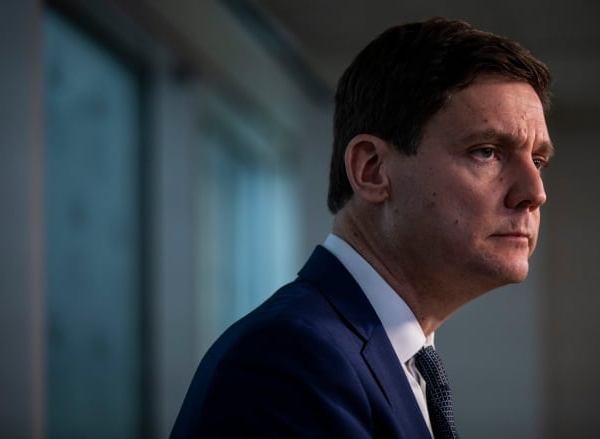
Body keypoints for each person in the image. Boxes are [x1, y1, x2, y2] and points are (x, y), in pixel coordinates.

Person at [171, 16, 553, 438]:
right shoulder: (290, 360)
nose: (534, 192)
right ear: (372, 170)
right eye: (487, 151)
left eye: (537, 160)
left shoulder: (389, 356)